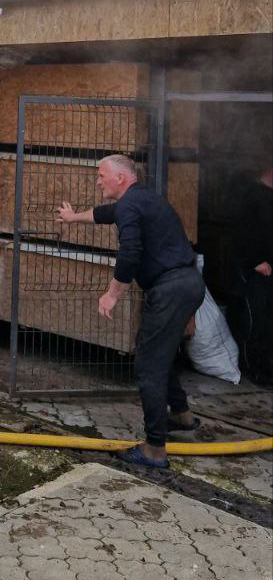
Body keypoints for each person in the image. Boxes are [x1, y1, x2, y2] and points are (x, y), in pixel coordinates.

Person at [56, 153, 204, 470]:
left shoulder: (130, 205)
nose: (97, 180)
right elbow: (106, 213)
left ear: (120, 178)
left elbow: (130, 254)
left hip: (171, 289)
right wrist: (74, 218)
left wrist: (111, 295)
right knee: (158, 352)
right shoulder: (140, 200)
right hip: (187, 283)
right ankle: (181, 414)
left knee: (148, 363)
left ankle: (153, 450)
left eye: (101, 175)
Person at [231, 166, 273, 386]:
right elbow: (241, 232)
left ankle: (266, 368)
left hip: (268, 270)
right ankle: (252, 369)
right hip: (253, 271)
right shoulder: (251, 196)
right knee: (255, 321)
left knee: (267, 322)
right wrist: (256, 260)